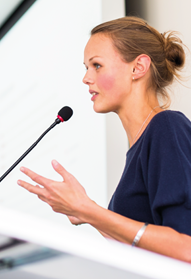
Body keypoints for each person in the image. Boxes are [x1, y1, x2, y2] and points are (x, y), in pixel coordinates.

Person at [17, 16, 191, 263]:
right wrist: (86, 213)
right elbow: (143, 252)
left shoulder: (166, 127)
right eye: (86, 68)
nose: (86, 78)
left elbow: (186, 248)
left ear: (138, 67)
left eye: (96, 65)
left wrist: (88, 209)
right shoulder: (140, 145)